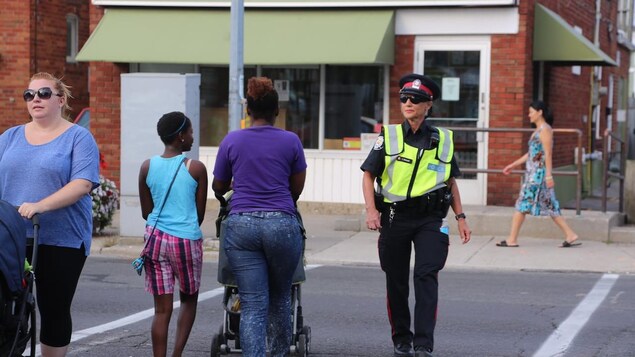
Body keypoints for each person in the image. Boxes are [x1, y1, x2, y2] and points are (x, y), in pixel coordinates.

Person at [361, 73, 472, 357]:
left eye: (416, 99)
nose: (408, 103)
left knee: (426, 275)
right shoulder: (389, 136)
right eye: (404, 99)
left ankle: (423, 344)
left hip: (430, 220)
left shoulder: (443, 140)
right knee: (396, 280)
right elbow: (368, 174)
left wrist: (460, 217)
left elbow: (450, 181)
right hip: (395, 216)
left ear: (428, 104)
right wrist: (371, 210)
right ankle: (402, 338)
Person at [0, 72, 100, 356]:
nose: (36, 100)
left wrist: (40, 205)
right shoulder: (10, 137)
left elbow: (82, 183)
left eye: (44, 93)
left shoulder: (78, 138)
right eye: (29, 95)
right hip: (12, 237)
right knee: (8, 306)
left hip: (61, 239)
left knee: (53, 308)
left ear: (60, 99)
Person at [212, 77, 307, 357]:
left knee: (253, 304)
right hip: (281, 224)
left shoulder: (232, 140)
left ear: (248, 111)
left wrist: (236, 185)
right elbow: (296, 188)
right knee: (279, 299)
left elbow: (219, 185)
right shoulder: (291, 141)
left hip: (241, 226)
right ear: (277, 110)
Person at [138, 111, 208, 357]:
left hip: (155, 240)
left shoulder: (147, 166)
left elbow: (147, 212)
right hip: (185, 240)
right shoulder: (196, 168)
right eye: (190, 132)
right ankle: (176, 354)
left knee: (161, 311)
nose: (192, 136)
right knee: (188, 300)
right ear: (180, 136)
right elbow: (198, 216)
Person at [497, 100, 579, 248]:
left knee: (522, 205)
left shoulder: (545, 130)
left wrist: (548, 175)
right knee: (550, 206)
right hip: (534, 174)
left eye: (531, 112)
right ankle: (570, 234)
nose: (529, 115)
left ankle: (512, 239)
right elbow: (531, 154)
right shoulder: (538, 130)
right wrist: (513, 165)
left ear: (540, 112)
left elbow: (547, 153)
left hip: (538, 176)